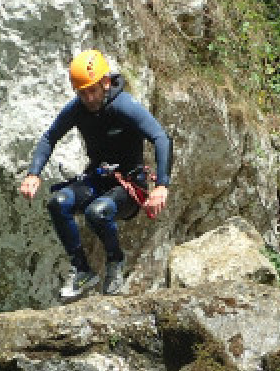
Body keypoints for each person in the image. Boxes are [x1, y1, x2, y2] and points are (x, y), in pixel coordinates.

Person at [19, 49, 172, 301]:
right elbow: (49, 137)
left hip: (130, 186)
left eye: (93, 90)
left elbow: (161, 137)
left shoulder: (123, 106)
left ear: (105, 83)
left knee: (97, 212)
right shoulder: (78, 109)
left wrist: (162, 185)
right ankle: (81, 270)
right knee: (58, 203)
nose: (89, 98)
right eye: (82, 92)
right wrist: (33, 173)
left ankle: (115, 263)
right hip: (99, 178)